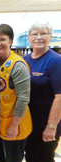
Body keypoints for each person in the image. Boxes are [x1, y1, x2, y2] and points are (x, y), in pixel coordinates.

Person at [0, 24, 32, 162]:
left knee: (13, 159)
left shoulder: (18, 65)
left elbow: (23, 98)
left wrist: (14, 125)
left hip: (15, 123)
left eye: (2, 39)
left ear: (11, 41)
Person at [23, 22, 61, 162]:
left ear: (50, 37)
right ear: (29, 37)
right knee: (31, 157)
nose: (39, 37)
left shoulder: (56, 61)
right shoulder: (23, 60)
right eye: (35, 34)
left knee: (43, 158)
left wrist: (51, 126)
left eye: (43, 33)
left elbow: (59, 97)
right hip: (27, 123)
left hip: (45, 124)